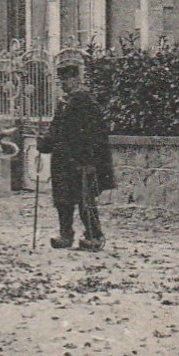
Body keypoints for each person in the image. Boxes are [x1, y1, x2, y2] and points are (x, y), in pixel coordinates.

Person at [39, 59, 114, 251]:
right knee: (63, 200)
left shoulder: (86, 103)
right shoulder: (63, 103)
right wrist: (45, 142)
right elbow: (56, 129)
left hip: (80, 161)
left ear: (77, 79)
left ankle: (94, 237)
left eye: (67, 79)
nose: (63, 83)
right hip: (62, 161)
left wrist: (89, 161)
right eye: (61, 80)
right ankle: (66, 235)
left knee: (85, 201)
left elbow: (95, 135)